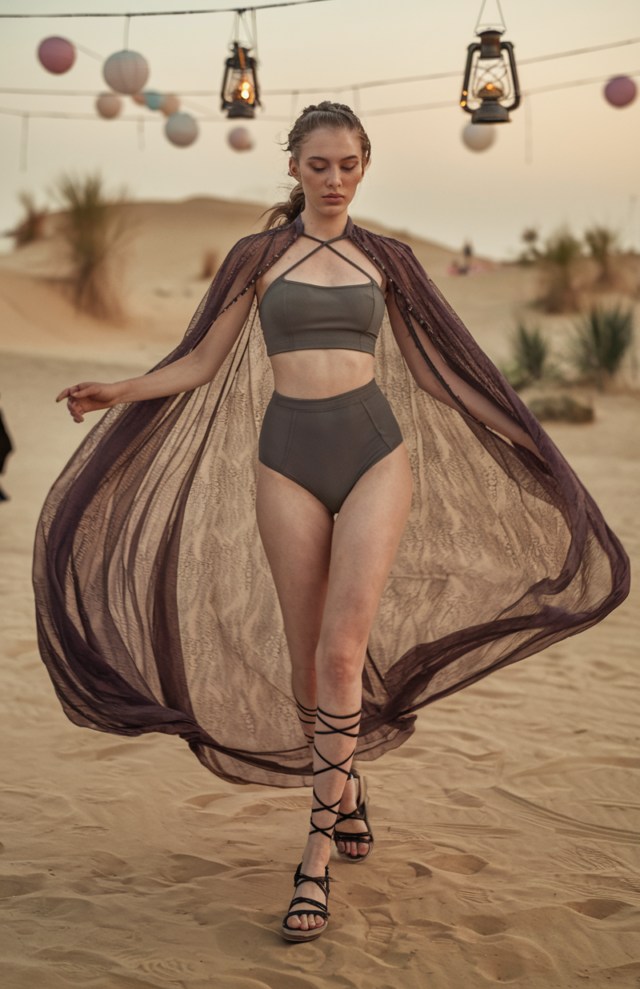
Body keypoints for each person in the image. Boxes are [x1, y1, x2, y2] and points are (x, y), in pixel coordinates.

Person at [35, 103, 629, 943]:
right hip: (285, 460)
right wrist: (116, 391)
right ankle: (346, 787)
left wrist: (525, 435)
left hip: (375, 454)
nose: (335, 178)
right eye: (319, 165)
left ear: (364, 165)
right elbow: (202, 360)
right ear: (294, 169)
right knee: (308, 661)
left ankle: (314, 853)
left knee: (344, 650)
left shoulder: (388, 260)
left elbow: (434, 375)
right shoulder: (258, 257)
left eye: (349, 164)